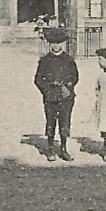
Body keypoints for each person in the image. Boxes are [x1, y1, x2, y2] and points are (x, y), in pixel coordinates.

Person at [33, 26, 78, 161]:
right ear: (49, 44)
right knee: (51, 121)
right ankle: (50, 148)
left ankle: (63, 149)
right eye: (53, 43)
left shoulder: (69, 60)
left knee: (64, 121)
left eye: (59, 43)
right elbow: (38, 79)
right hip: (50, 95)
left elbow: (75, 77)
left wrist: (68, 87)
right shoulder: (45, 60)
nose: (56, 46)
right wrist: (46, 91)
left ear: (63, 44)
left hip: (66, 96)